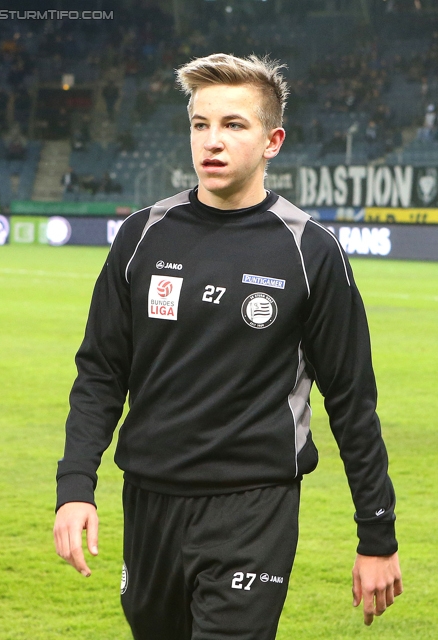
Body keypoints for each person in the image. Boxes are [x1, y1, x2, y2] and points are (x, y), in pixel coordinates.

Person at [54, 53, 402, 640]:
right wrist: (74, 488)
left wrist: (378, 536)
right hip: (149, 502)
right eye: (200, 124)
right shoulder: (142, 236)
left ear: (273, 141)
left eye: (234, 125)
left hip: (252, 507)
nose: (212, 141)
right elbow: (101, 373)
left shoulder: (309, 252)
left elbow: (351, 400)